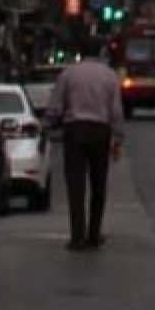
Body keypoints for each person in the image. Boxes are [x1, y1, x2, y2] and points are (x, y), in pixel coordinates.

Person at [48, 49, 126, 249]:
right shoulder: (109, 76)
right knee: (98, 185)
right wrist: (117, 138)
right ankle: (94, 233)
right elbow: (116, 110)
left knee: (76, 186)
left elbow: (56, 105)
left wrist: (51, 122)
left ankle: (77, 237)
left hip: (75, 130)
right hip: (100, 130)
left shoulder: (69, 73)